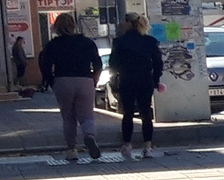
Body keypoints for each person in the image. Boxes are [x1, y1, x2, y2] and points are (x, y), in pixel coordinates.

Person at [37, 13, 102, 163]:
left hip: (63, 80)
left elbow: (45, 65)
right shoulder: (87, 42)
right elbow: (98, 64)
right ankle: (89, 137)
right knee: (87, 115)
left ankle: (72, 149)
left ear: (57, 27)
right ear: (74, 25)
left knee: (68, 117)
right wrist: (94, 79)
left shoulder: (53, 44)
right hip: (85, 79)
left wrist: (51, 81)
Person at [108, 13, 164, 161]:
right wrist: (155, 80)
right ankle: (147, 147)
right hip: (145, 80)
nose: (121, 24)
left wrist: (114, 80)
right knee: (146, 114)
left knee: (128, 113)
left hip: (127, 80)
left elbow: (113, 63)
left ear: (129, 23)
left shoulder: (119, 42)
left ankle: (126, 145)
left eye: (123, 21)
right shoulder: (150, 41)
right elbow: (158, 63)